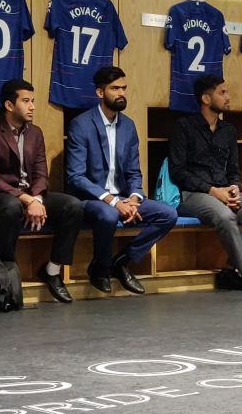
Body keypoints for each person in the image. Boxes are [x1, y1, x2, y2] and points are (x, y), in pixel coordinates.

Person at [0, 79, 84, 303]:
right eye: (26, 101)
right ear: (9, 105)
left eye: (33, 101)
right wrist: (28, 199)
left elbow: (41, 174)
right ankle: (8, 273)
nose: (32, 107)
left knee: (73, 206)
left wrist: (37, 198)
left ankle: (52, 270)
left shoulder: (35, 133)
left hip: (30, 195)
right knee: (11, 207)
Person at [66, 65, 177, 294]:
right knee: (108, 214)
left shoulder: (128, 125)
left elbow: (134, 172)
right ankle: (99, 267)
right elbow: (75, 177)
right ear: (100, 92)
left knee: (168, 214)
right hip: (92, 199)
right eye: (115, 88)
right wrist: (114, 202)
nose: (121, 93)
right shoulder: (81, 124)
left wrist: (135, 198)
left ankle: (122, 261)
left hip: (124, 197)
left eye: (124, 88)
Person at [168, 74, 242, 292]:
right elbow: (178, 171)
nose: (228, 97)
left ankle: (231, 271)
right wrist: (213, 192)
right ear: (206, 99)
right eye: (222, 92)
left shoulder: (228, 130)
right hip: (192, 194)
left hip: (223, 191)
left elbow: (233, 169)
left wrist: (234, 188)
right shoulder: (184, 127)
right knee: (225, 216)